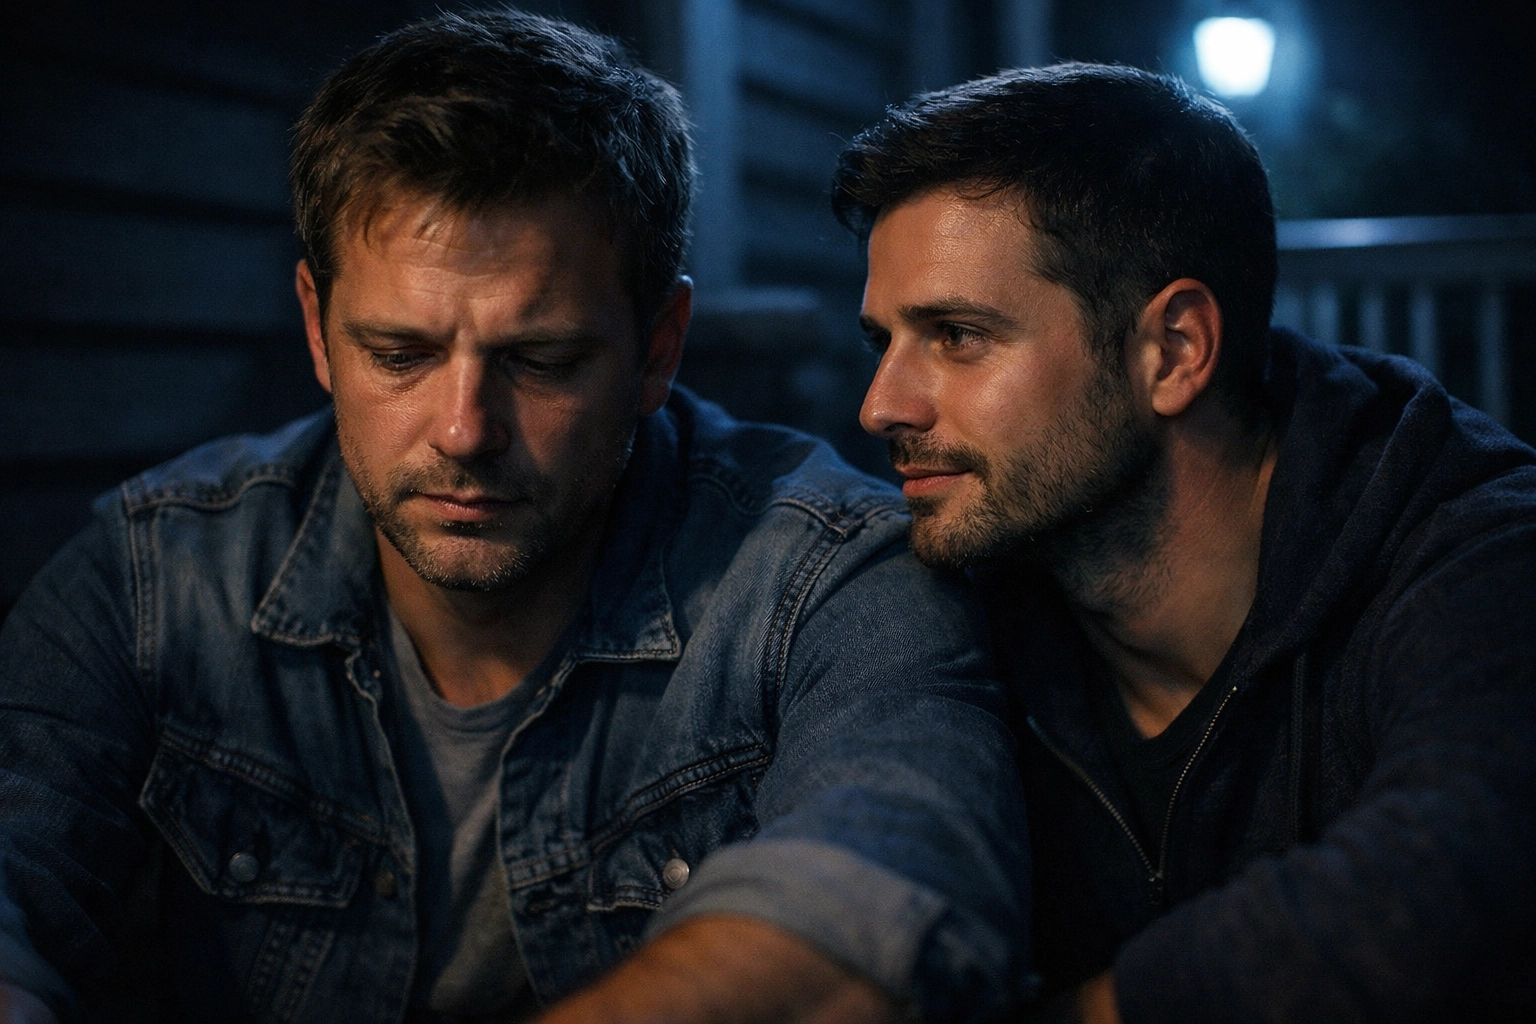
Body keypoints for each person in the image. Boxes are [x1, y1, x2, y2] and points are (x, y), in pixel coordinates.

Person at [0, 10, 1032, 1022]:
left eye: (539, 361)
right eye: (398, 354)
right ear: (317, 330)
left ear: (658, 348)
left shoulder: (825, 578)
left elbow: (882, 909)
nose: (463, 430)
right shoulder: (155, 576)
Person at [834, 62, 1536, 1022]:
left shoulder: (1474, 547)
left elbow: (1458, 876)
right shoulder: (948, 606)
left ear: (1174, 351)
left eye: (957, 335)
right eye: (883, 343)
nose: (882, 406)